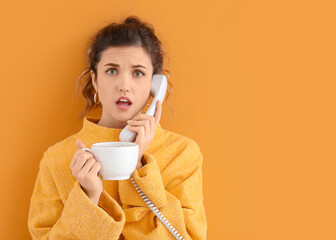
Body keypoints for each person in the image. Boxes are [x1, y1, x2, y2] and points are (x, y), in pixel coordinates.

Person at [27, 15, 207, 240]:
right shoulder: (57, 159)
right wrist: (88, 198)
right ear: (95, 79)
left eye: (138, 73)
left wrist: (139, 166)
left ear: (155, 85)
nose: (124, 85)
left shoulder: (181, 154)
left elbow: (189, 236)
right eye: (112, 71)